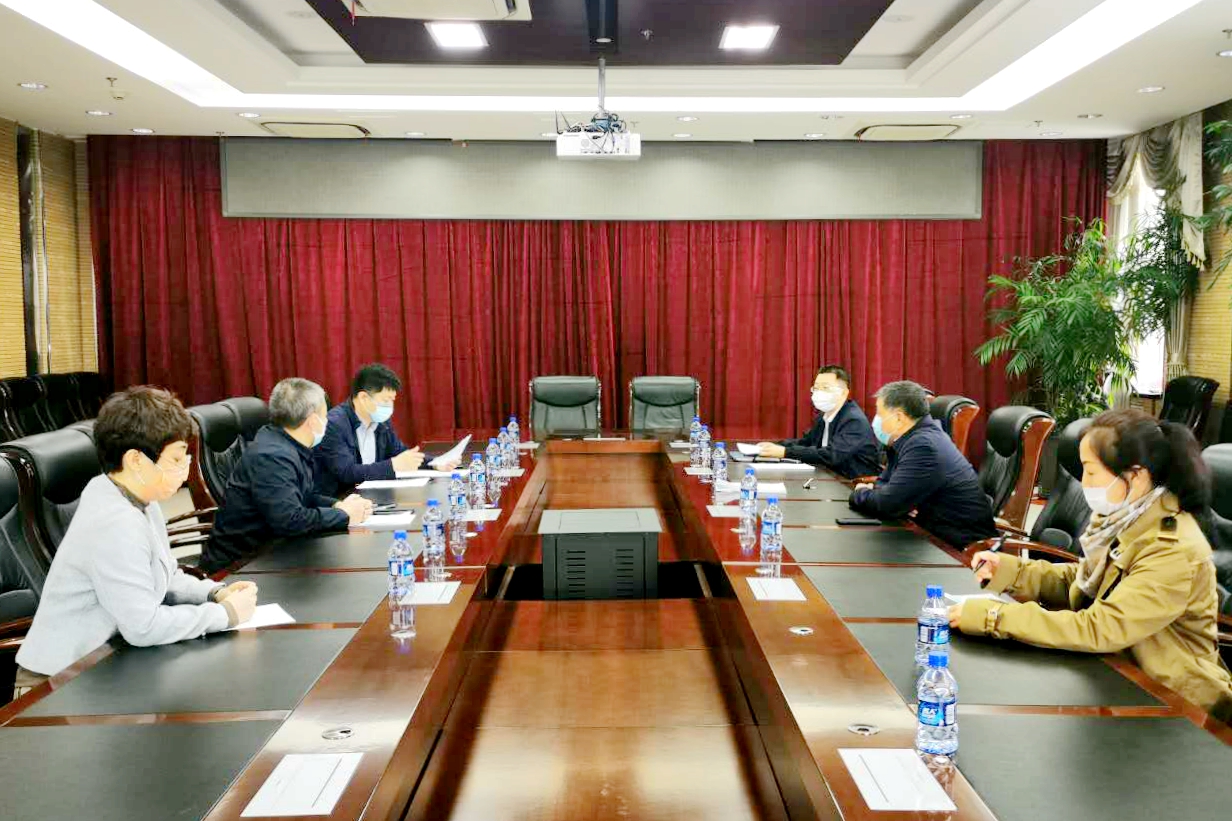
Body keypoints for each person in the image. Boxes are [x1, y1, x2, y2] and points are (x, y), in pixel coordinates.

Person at [952, 409, 1232, 720]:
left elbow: (1101, 627)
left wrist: (994, 617)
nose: (1084, 482)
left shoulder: (1173, 548)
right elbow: (1087, 581)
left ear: (1136, 475)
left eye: (1091, 471)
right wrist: (1012, 571)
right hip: (1114, 675)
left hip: (1175, 705)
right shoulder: (1127, 517)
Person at [14, 387, 258, 695]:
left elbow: (165, 575)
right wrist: (224, 615)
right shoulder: (113, 521)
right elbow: (144, 627)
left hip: (105, 663)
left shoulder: (138, 498)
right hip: (57, 684)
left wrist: (213, 592)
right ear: (136, 460)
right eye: (176, 458)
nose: (184, 470)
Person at [201, 378, 372, 574]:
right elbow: (290, 520)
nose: (328, 421)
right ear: (313, 421)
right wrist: (344, 516)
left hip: (273, 551)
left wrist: (337, 505)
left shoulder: (286, 442)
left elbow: (304, 495)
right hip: (240, 566)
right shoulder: (272, 457)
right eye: (325, 416)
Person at [848, 380, 996, 547]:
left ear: (899, 418)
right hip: (930, 533)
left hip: (960, 547)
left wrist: (859, 493)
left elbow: (887, 504)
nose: (877, 420)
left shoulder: (924, 446)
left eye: (880, 414)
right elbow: (885, 487)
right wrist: (895, 498)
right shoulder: (910, 439)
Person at [314, 363, 458, 498]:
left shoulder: (380, 421)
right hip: (340, 501)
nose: (389, 406)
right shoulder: (333, 424)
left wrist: (435, 463)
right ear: (363, 397)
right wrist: (393, 465)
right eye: (385, 401)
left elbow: (399, 452)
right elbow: (347, 472)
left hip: (371, 496)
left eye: (392, 400)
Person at [755, 365, 880, 478]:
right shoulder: (823, 416)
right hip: (828, 477)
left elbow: (831, 455)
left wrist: (785, 452)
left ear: (844, 393)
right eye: (816, 388)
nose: (819, 392)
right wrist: (777, 446)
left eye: (825, 388)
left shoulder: (854, 420)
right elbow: (806, 442)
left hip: (853, 483)